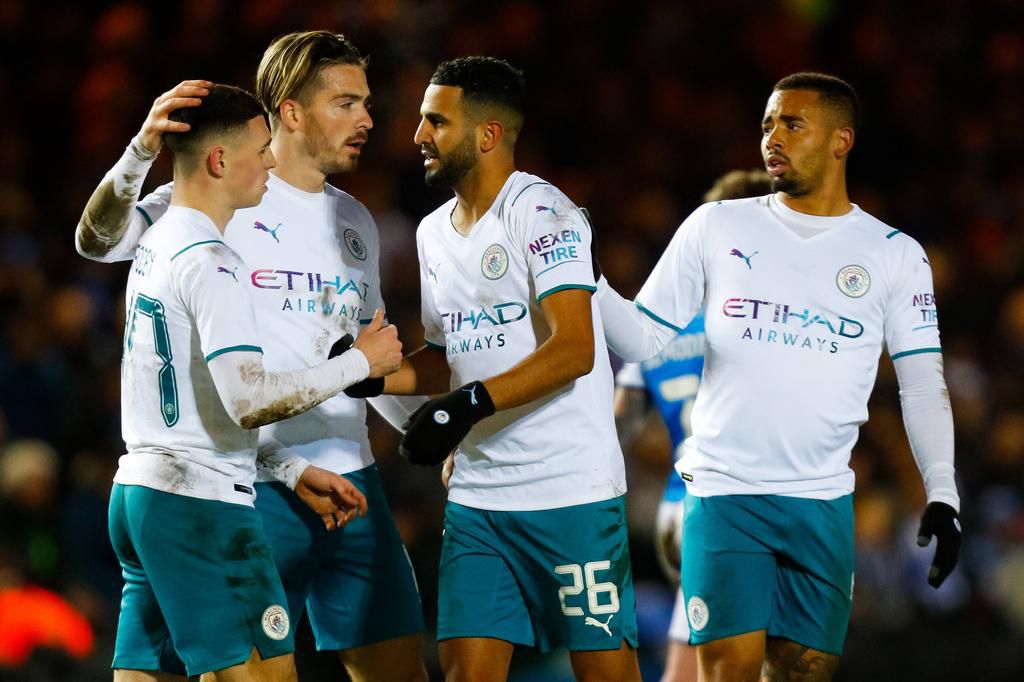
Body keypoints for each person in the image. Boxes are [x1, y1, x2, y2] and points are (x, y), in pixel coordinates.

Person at [75, 32, 429, 682]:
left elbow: (369, 359)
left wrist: (432, 434)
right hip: (246, 479)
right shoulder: (208, 206)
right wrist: (139, 151)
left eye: (366, 103)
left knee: (400, 669)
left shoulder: (355, 220)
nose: (367, 120)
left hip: (348, 480)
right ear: (290, 112)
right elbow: (97, 243)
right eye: (346, 103)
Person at [597, 73, 962, 681]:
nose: (773, 137)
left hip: (821, 504)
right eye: (767, 124)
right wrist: (582, 278)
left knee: (802, 673)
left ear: (841, 140)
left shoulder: (894, 254)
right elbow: (639, 338)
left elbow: (923, 384)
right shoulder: (717, 226)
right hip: (724, 495)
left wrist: (943, 491)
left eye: (793, 124)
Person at [371, 56, 640, 682]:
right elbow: (450, 356)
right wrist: (371, 376)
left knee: (606, 674)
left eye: (436, 121)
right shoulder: (432, 233)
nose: (418, 135)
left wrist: (465, 406)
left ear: (488, 134)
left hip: (569, 493)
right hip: (478, 497)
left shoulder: (545, 212)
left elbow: (575, 348)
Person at [613, 169, 771, 682]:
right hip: (746, 509)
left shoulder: (658, 322)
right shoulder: (764, 319)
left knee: (687, 667)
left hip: (678, 510)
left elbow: (616, 426)